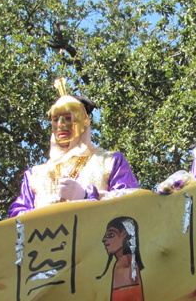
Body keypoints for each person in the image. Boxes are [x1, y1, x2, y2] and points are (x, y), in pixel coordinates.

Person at [8, 79, 138, 216]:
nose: (61, 125)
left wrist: (86, 195)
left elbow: (130, 202)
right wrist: (36, 212)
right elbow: (15, 219)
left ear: (83, 123)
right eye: (56, 119)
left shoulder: (110, 161)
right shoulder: (35, 175)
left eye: (68, 118)